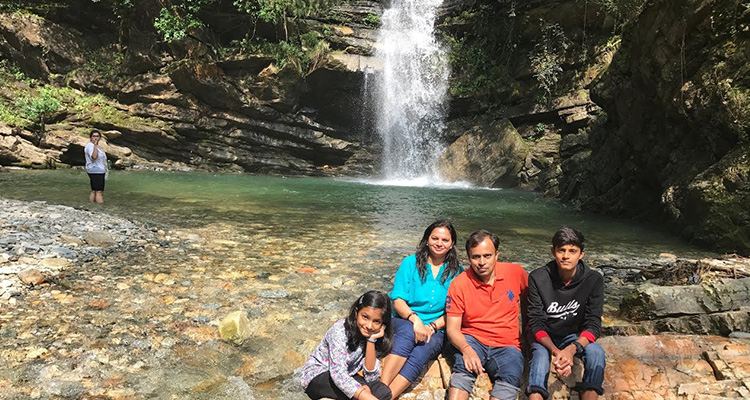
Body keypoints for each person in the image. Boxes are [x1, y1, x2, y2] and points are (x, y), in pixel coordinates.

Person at [380, 219, 463, 398]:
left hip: (437, 328)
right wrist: (414, 319)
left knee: (423, 350)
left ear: (452, 244)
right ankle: (381, 386)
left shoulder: (457, 272)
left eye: (445, 240)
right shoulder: (410, 263)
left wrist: (432, 327)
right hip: (405, 320)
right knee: (409, 333)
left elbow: (456, 310)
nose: (439, 243)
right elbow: (398, 300)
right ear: (427, 239)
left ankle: (387, 396)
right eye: (435, 238)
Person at [445, 230, 528, 400]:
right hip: (473, 339)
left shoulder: (515, 273)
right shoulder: (459, 284)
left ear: (497, 255)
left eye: (487, 256)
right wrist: (466, 349)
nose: (482, 262)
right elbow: (452, 329)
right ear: (468, 257)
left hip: (507, 345)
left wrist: (527, 336)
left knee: (511, 374)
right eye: (476, 257)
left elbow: (530, 305)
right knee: (463, 368)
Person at [526, 227, 605, 400]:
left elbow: (593, 324)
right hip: (545, 336)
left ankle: (589, 395)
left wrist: (572, 349)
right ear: (553, 251)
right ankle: (536, 395)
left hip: (573, 335)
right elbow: (535, 322)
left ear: (581, 254)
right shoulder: (538, 278)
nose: (566, 256)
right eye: (561, 250)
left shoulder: (593, 280)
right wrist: (555, 351)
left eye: (572, 251)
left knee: (596, 353)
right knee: (539, 357)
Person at [298, 290, 394, 400]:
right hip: (320, 374)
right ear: (356, 313)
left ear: (383, 324)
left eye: (376, 321)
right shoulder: (339, 330)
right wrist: (364, 394)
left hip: (349, 374)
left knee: (383, 392)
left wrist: (371, 341)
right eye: (365, 317)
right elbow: (338, 374)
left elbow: (370, 377)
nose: (369, 326)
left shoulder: (375, 335)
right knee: (365, 395)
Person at [83, 130, 108, 203]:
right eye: (94, 136)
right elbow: (94, 157)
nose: (95, 138)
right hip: (96, 170)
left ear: (100, 138)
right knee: (99, 191)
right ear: (90, 137)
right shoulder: (90, 146)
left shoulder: (97, 147)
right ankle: (99, 208)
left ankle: (92, 206)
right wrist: (94, 145)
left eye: (97, 136)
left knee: (94, 190)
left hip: (97, 169)